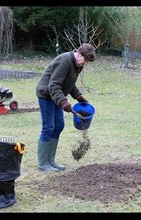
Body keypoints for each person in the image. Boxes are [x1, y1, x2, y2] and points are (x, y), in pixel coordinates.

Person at [35, 43, 96, 172]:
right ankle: (43, 163)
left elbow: (70, 83)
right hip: (46, 94)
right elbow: (54, 85)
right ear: (79, 54)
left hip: (57, 96)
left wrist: (78, 96)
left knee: (59, 126)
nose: (85, 63)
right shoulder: (64, 61)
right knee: (48, 127)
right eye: (84, 59)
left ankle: (51, 161)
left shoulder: (77, 64)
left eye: (87, 62)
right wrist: (63, 102)